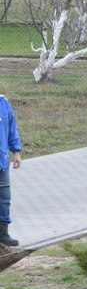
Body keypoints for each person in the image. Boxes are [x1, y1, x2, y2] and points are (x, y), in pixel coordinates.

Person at [0, 93, 23, 247]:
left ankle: (2, 233)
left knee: (4, 199)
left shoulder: (3, 103)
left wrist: (16, 152)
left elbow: (11, 128)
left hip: (1, 162)